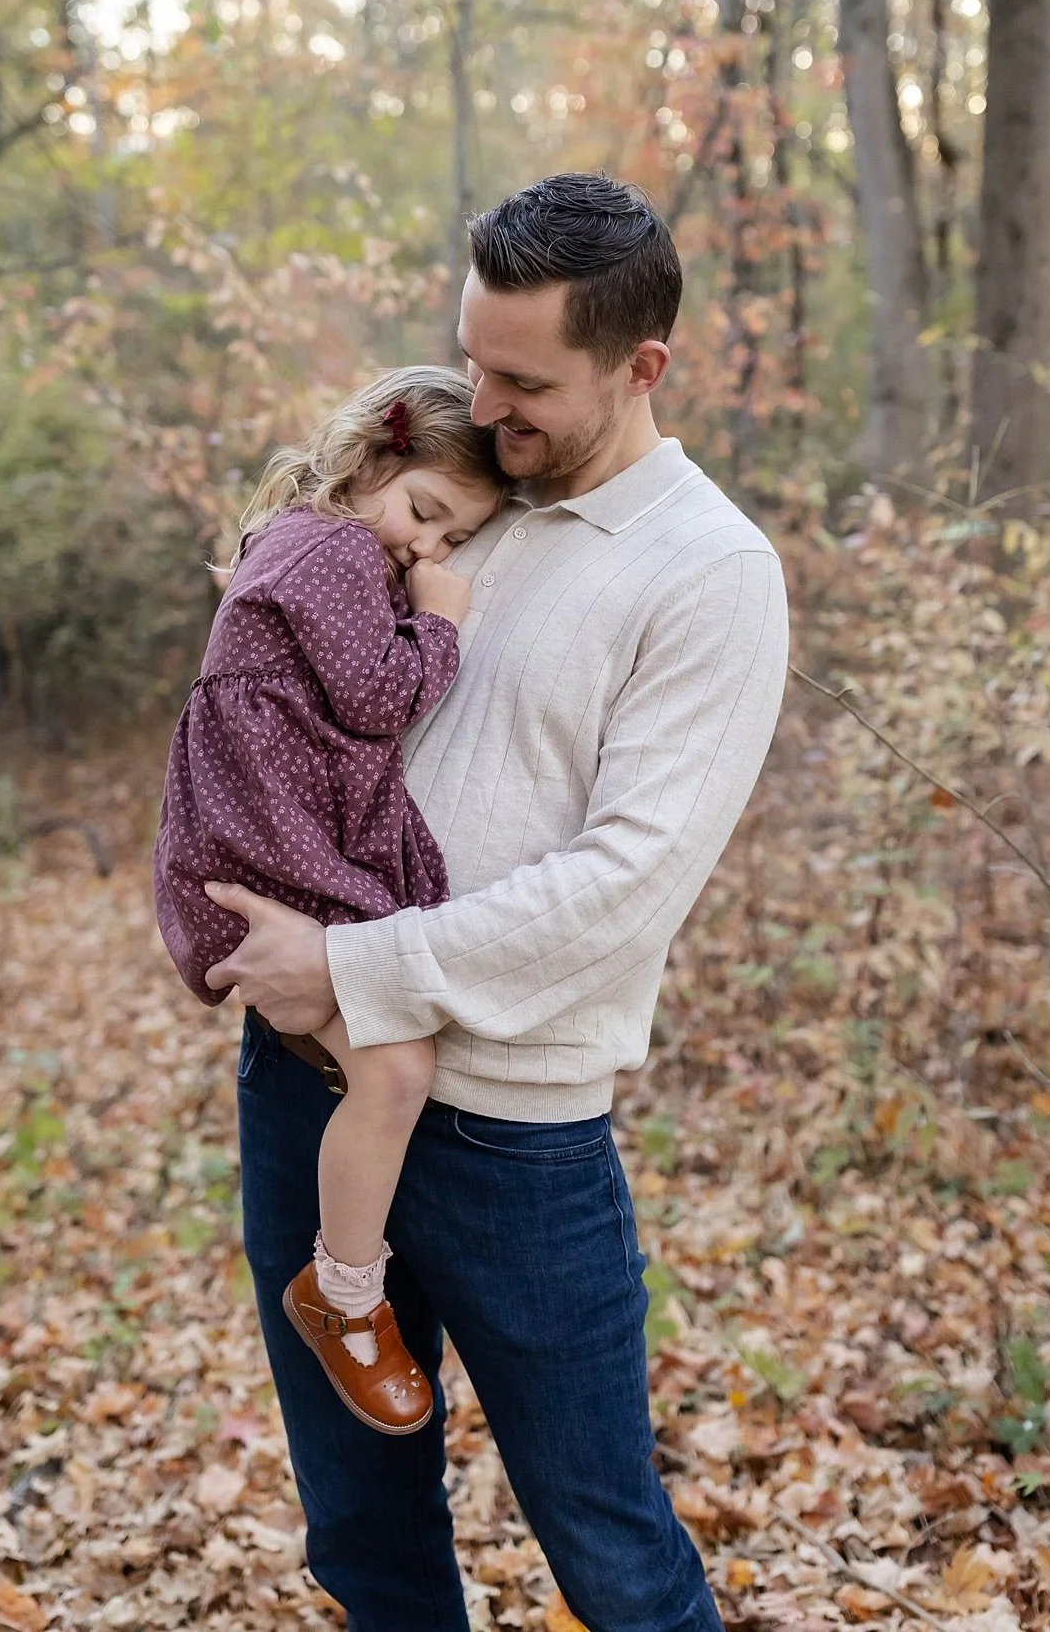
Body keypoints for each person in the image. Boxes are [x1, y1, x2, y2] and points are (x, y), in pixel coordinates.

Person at [204, 174, 789, 1632]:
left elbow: (623, 884)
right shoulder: (460, 499)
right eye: (471, 359)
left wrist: (351, 963)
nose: (485, 402)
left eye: (525, 381)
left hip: (511, 1135)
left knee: (609, 1550)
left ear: (640, 366)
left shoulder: (710, 574)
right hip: (308, 1090)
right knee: (363, 1539)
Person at [154, 365, 512, 1435]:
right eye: (425, 513)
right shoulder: (338, 548)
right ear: (370, 462)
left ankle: (348, 1285)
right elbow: (375, 696)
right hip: (271, 866)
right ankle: (344, 1292)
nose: (424, 550)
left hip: (270, 850)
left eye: (451, 540)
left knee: (383, 1065)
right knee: (395, 1068)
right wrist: (441, 620)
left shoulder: (310, 542)